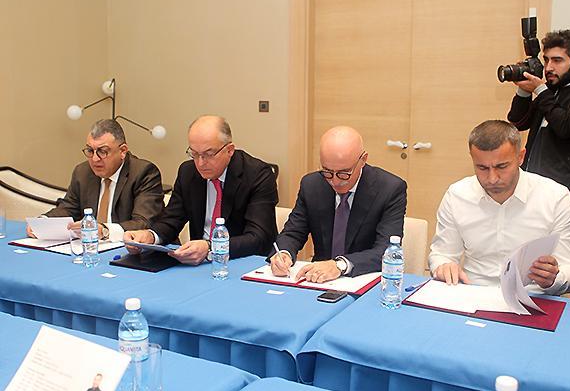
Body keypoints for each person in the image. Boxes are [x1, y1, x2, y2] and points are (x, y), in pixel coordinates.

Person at [429, 120, 570, 295]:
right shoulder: (457, 195)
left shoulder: (555, 197)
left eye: (501, 166)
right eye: (482, 168)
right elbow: (442, 254)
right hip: (473, 294)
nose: (492, 178)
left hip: (535, 296)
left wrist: (554, 279)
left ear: (521, 157)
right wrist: (444, 266)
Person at [124, 115, 278, 265]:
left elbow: (258, 237)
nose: (200, 163)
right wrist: (150, 236)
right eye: (194, 154)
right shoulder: (188, 172)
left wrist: (210, 247)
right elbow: (171, 220)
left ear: (229, 150)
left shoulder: (258, 175)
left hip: (242, 262)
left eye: (209, 154)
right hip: (198, 264)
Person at [269, 126, 406, 283]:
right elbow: (293, 232)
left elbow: (385, 251)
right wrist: (284, 253)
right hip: (318, 281)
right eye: (327, 171)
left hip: (363, 280)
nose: (335, 181)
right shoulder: (312, 184)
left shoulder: (389, 189)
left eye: (344, 173)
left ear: (363, 160)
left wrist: (340, 265)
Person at [506, 29, 570, 252]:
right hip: (533, 187)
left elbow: (566, 126)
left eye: (557, 60)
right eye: (546, 60)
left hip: (569, 192)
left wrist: (540, 90)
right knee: (527, 255)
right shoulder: (551, 90)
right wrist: (524, 92)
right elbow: (517, 122)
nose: (548, 67)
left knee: (559, 259)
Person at [26, 119, 164, 241]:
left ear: (122, 151)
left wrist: (105, 230)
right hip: (91, 248)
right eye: (90, 151)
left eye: (102, 151)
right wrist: (42, 222)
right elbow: (68, 208)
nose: (95, 159)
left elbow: (143, 222)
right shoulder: (83, 172)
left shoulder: (144, 173)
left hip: (129, 250)